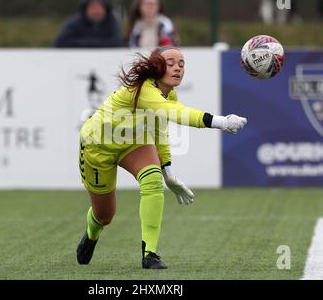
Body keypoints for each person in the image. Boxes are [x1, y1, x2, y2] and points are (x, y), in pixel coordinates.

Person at [76, 46, 247, 269]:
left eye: (182, 63)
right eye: (171, 62)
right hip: (98, 146)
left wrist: (169, 174)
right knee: (104, 215)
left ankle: (150, 254)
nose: (178, 67)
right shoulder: (143, 89)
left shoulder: (168, 94)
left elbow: (159, 132)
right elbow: (178, 113)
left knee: (153, 181)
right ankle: (92, 233)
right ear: (156, 66)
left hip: (133, 142)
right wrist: (221, 122)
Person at [54, 0, 122, 48]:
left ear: (105, 8)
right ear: (85, 8)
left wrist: (86, 43)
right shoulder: (74, 22)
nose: (96, 11)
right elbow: (60, 42)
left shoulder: (111, 21)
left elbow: (117, 42)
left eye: (99, 7)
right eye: (93, 7)